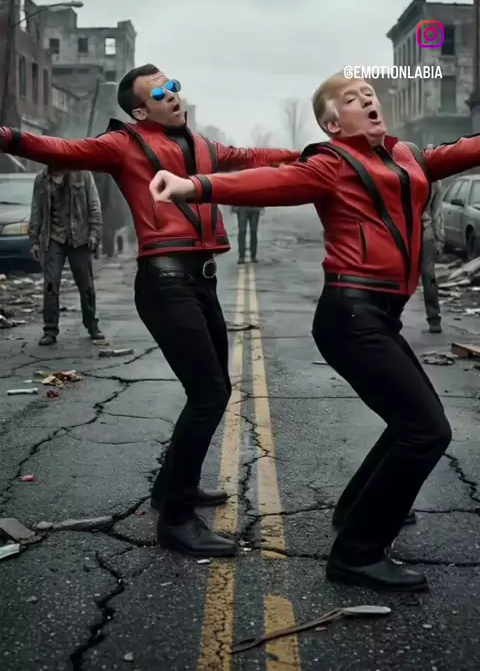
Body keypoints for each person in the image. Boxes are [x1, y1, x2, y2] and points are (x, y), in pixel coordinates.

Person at [148, 73, 480, 592]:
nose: (367, 99)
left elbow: (462, 151)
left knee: (412, 423)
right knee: (426, 431)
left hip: (379, 316)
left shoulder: (407, 157)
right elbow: (272, 182)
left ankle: (355, 513)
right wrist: (194, 186)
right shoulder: (331, 163)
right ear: (332, 124)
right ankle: (356, 555)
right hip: (351, 316)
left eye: (369, 94)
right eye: (351, 99)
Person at [0, 63, 298, 558]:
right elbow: (58, 149)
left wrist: (308, 154)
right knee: (208, 394)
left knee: (214, 390)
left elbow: (252, 156)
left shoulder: (203, 145)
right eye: (160, 93)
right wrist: (8, 135)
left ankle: (170, 488)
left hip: (201, 280)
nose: (173, 95)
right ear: (140, 111)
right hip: (164, 283)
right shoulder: (123, 144)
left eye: (174, 86)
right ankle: (176, 521)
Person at [29, 166, 105, 346]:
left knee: (86, 285)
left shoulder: (83, 175)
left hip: (79, 237)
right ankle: (50, 330)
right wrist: (34, 240)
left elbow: (94, 205)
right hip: (54, 238)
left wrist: (95, 233)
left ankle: (91, 324)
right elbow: (36, 210)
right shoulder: (42, 179)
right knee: (50, 284)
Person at [421, 154, 444, 333]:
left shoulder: (434, 182)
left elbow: (437, 212)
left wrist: (440, 239)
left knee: (429, 275)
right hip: (403, 234)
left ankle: (434, 318)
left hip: (425, 233)